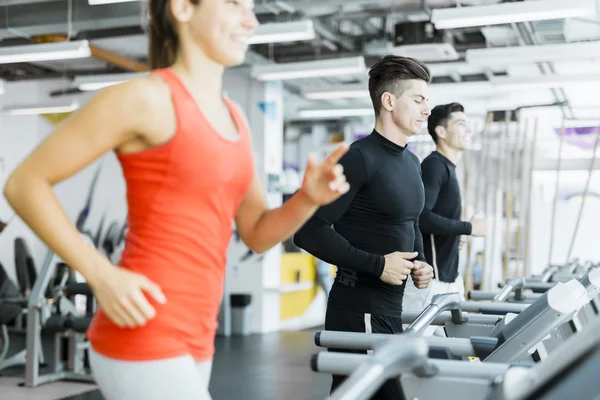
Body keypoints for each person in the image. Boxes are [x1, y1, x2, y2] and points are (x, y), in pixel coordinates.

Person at [2, 1, 351, 399]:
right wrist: (100, 275)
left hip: (200, 334)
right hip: (143, 327)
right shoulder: (146, 98)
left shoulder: (236, 118)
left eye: (252, 7)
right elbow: (24, 183)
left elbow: (255, 233)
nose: (250, 19)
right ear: (183, 8)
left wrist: (306, 199)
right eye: (235, 3)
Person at [293, 55, 435, 399]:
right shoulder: (358, 158)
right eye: (418, 99)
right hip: (358, 308)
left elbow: (409, 220)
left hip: (388, 308)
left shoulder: (411, 161)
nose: (426, 109)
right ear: (389, 101)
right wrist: (378, 264)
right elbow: (308, 229)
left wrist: (420, 262)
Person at [403, 102, 488, 313]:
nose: (468, 129)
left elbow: (435, 220)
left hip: (449, 280)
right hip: (431, 284)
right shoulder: (435, 166)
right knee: (417, 346)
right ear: (441, 131)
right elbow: (421, 217)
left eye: (468, 124)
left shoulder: (447, 168)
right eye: (461, 124)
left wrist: (456, 234)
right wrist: (468, 228)